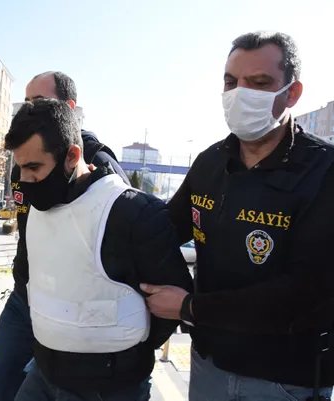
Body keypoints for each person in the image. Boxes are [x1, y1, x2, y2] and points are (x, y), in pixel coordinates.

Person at [142, 31, 334, 400]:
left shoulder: (323, 171)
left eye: (259, 83)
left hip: (284, 379)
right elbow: (162, 230)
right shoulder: (211, 163)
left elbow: (307, 291)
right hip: (209, 365)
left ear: (292, 93)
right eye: (231, 82)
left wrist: (190, 307)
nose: (240, 94)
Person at [2, 99, 192, 400]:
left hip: (108, 388)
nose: (25, 180)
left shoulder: (133, 212)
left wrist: (118, 359)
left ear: (72, 155)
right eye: (20, 167)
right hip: (43, 372)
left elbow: (169, 306)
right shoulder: (39, 206)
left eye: (34, 167)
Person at [0, 71, 129, 401]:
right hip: (25, 297)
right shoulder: (23, 154)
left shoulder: (96, 161)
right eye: (26, 102)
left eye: (39, 101)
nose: (28, 110)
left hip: (72, 310)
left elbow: (125, 231)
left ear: (69, 109)